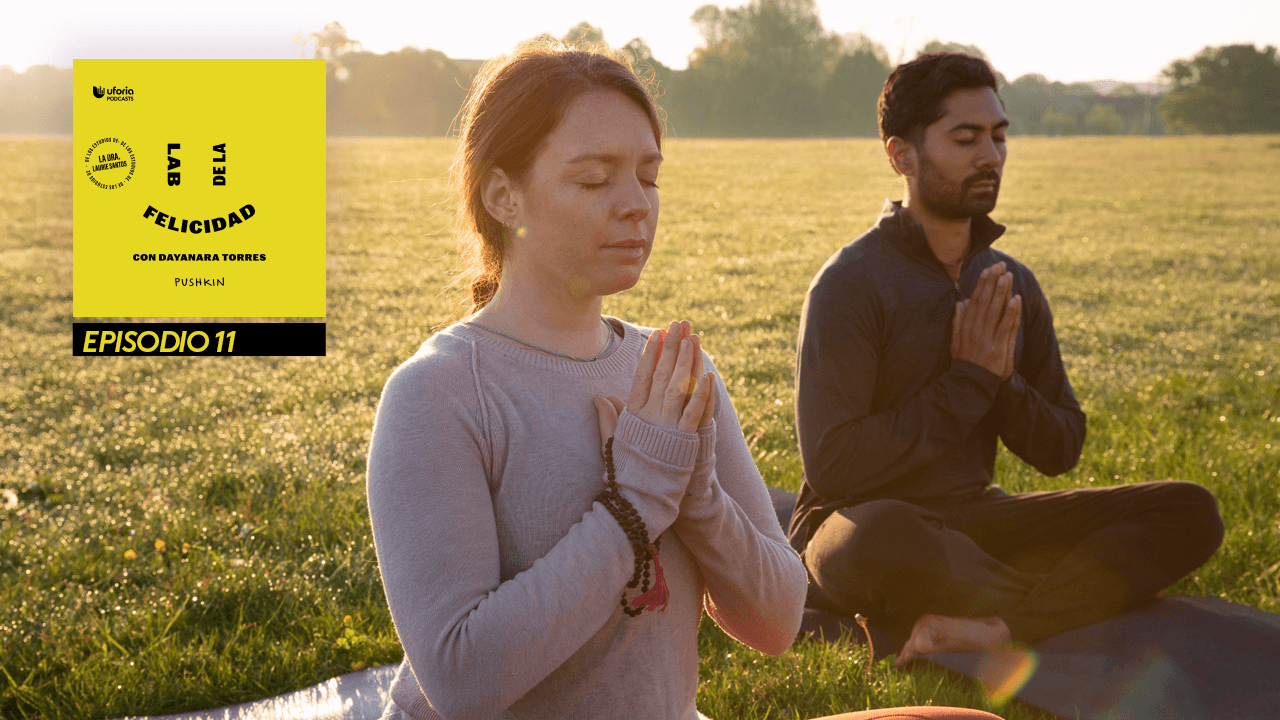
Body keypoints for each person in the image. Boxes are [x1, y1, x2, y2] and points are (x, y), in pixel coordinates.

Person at [366, 42, 1001, 720]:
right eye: (594, 178)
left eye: (648, 175)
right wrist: (635, 501)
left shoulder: (671, 370)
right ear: (501, 193)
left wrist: (697, 500)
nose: (637, 204)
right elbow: (465, 682)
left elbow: (776, 622)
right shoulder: (439, 394)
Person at [789, 52, 1224, 667]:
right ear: (901, 155)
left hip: (977, 525)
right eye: (965, 139)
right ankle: (1066, 603)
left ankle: (993, 625)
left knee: (1188, 510)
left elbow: (1060, 448)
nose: (990, 156)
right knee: (885, 538)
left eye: (998, 137)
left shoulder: (1010, 283)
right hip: (862, 527)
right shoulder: (849, 284)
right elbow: (834, 469)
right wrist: (968, 383)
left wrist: (1003, 385)